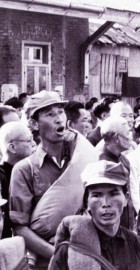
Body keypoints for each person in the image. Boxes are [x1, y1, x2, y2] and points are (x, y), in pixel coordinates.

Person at [9, 90, 98, 269]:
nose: (59, 119)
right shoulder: (24, 170)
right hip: (45, 262)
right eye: (50, 114)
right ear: (34, 124)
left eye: (60, 112)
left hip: (88, 255)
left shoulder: (82, 160)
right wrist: (58, 255)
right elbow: (20, 228)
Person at [49, 160, 140, 270]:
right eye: (97, 195)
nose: (105, 203)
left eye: (113, 194)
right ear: (87, 203)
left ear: (126, 198)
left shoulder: (137, 244)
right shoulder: (70, 250)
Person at [98, 116, 135, 230]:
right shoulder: (100, 163)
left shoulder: (123, 159)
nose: (131, 138)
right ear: (116, 138)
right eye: (127, 133)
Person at [0, 122, 36, 238]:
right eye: (29, 140)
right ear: (12, 147)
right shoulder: (2, 177)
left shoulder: (33, 170)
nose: (34, 144)